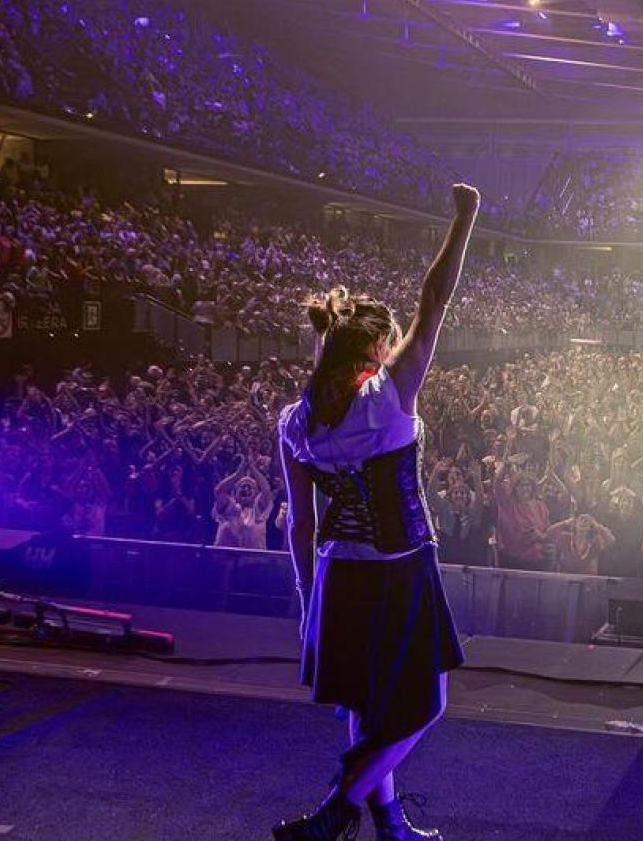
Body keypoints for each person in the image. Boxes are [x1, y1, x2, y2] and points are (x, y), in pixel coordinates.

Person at [272, 183, 480, 841]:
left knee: (365, 706)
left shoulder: (295, 421)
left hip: (339, 576)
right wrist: (465, 219)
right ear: (373, 354)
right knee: (426, 704)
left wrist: (309, 599)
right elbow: (435, 299)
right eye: (388, 346)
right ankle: (341, 803)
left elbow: (302, 524)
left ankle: (387, 824)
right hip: (400, 568)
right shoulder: (389, 400)